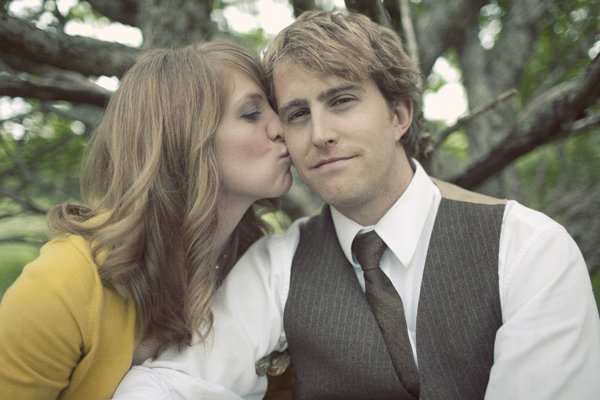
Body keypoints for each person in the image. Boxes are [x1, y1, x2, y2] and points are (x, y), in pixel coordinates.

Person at [112, 10, 600, 400]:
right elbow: (172, 384)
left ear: (399, 115)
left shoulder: (527, 249)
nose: (320, 134)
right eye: (298, 114)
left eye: (342, 101)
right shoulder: (278, 264)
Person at [0, 40, 292, 399]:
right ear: (183, 138)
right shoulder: (67, 282)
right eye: (251, 114)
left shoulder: (265, 266)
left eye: (275, 109)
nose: (281, 126)